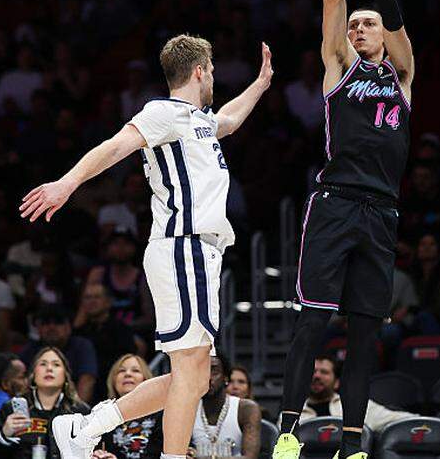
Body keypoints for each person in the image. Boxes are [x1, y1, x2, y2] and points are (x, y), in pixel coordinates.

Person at [19, 33, 274, 459]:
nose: (214, 78)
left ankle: (86, 428)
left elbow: (228, 119)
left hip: (199, 253)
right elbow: (115, 146)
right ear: (200, 71)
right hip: (183, 247)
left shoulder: (199, 121)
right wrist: (67, 183)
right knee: (190, 372)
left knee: (193, 378)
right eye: (212, 71)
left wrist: (261, 84)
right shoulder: (163, 113)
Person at [276, 0, 415, 459]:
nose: (358, 27)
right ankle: (288, 435)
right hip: (335, 204)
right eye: (355, 25)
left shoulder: (402, 74)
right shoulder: (339, 65)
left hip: (382, 212)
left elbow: (397, 19)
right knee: (313, 324)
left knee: (364, 335)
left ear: (383, 35)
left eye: (368, 23)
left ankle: (353, 445)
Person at [0, 346, 90, 458]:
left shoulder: (81, 412)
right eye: (43, 364)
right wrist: (4, 436)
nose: (49, 368)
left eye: (56, 364)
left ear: (66, 376)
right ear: (33, 375)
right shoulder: (10, 409)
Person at [298, 355, 416, 433]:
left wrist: (423, 422)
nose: (317, 376)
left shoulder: (355, 405)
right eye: (312, 371)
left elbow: (399, 419)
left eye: (324, 372)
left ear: (337, 382)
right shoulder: (293, 410)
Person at [19, 305, 99, 403]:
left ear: (69, 327)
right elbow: (20, 382)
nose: (51, 327)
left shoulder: (81, 346)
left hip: (74, 406)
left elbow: (87, 380)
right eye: (45, 323)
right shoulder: (30, 350)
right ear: (38, 329)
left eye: (58, 322)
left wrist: (78, 409)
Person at [190, 355, 260, 459]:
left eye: (214, 371)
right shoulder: (188, 409)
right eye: (202, 371)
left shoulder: (246, 409)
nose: (208, 377)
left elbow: (250, 457)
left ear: (226, 378)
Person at [96, 354, 163, 459]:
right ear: (113, 380)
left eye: (136, 370)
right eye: (121, 371)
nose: (127, 374)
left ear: (146, 380)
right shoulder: (102, 415)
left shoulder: (162, 414)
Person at [74, 284, 143, 384]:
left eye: (97, 297)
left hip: (113, 382)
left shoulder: (121, 329)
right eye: (87, 297)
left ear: (108, 302)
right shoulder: (80, 331)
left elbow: (128, 358)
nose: (92, 301)